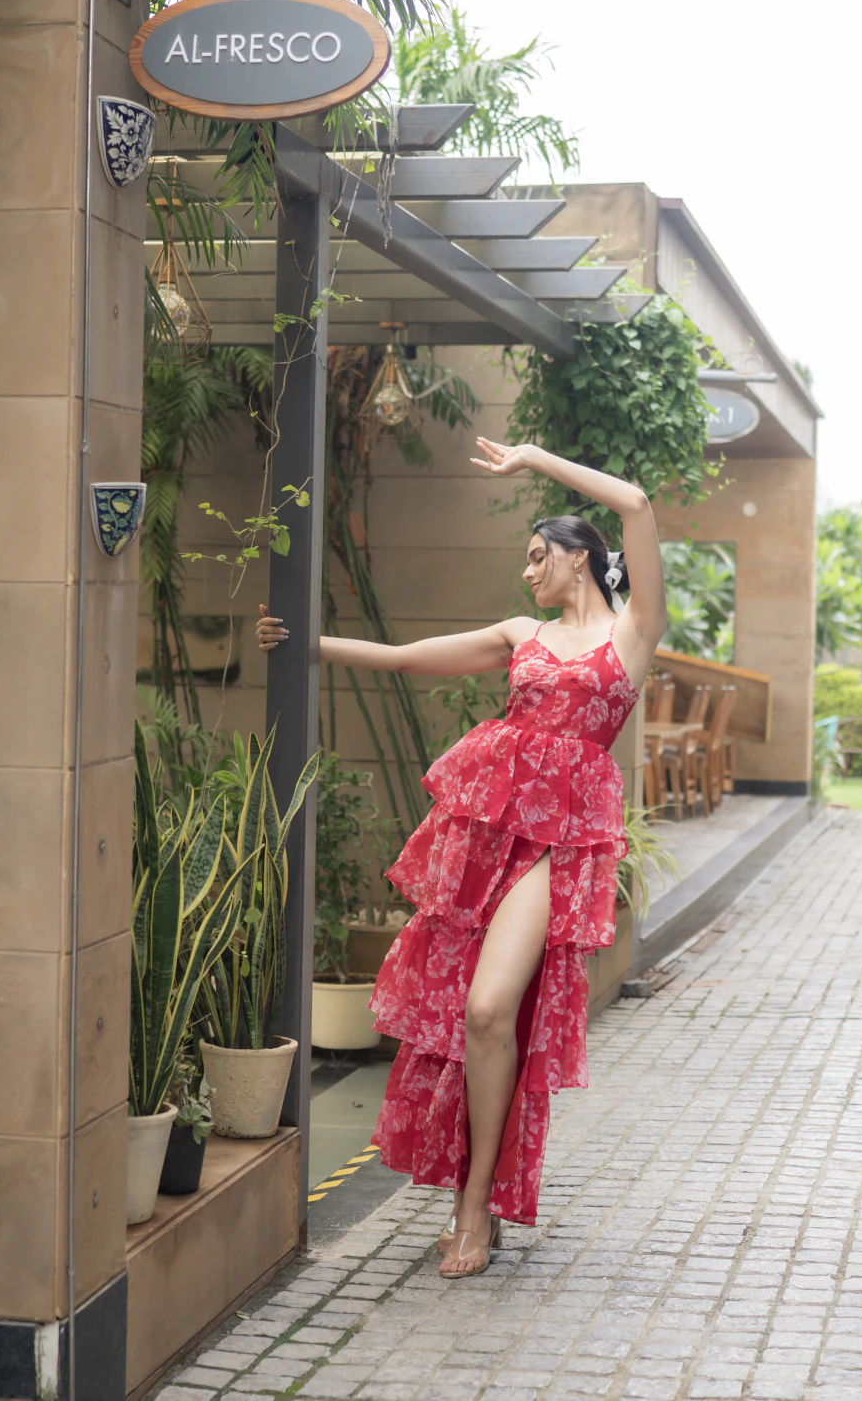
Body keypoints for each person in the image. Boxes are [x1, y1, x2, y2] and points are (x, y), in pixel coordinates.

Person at [256, 436, 667, 1278]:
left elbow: (637, 504)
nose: (528, 572)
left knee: (487, 1011)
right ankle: (467, 1199)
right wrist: (306, 643)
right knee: (471, 1021)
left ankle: (477, 1203)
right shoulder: (524, 632)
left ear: (580, 557)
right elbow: (409, 658)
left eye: (537, 556)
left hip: (560, 846)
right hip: (485, 841)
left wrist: (532, 458)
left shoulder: (631, 634)